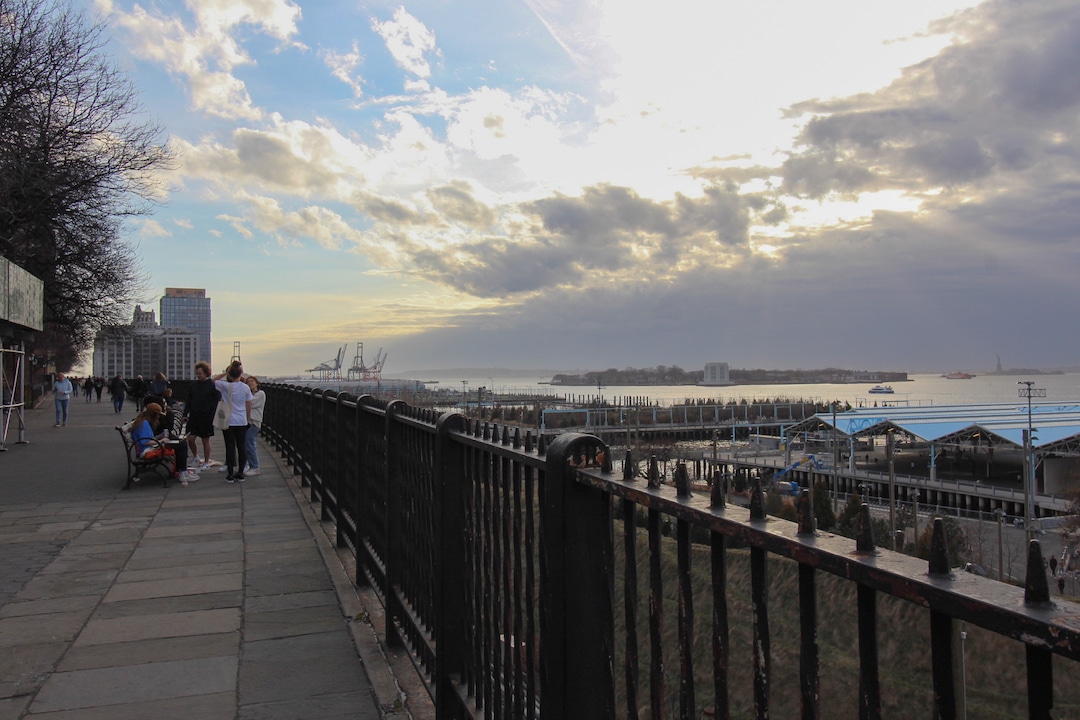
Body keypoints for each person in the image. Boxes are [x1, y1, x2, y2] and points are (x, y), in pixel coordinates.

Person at [130, 402, 197, 485]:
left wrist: (161, 436)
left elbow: (146, 439)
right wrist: (161, 441)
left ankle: (181, 471)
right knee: (182, 445)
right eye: (158, 415)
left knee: (180, 443)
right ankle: (182, 472)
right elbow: (145, 442)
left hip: (149, 447)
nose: (159, 417)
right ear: (153, 414)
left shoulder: (142, 421)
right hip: (147, 450)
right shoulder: (144, 424)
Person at [213, 360, 252, 483]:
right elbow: (248, 404)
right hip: (241, 420)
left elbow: (213, 381)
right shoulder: (246, 387)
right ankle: (240, 473)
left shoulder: (226, 386)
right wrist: (248, 418)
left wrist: (225, 373)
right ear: (241, 374)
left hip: (228, 421)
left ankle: (230, 473)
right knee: (241, 446)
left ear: (229, 374)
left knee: (230, 446)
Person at [185, 361, 220, 469]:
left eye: (200, 373)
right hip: (194, 415)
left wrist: (211, 412)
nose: (198, 375)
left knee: (205, 440)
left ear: (206, 373)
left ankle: (206, 461)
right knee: (190, 438)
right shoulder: (193, 385)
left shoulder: (212, 385)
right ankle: (196, 456)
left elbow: (216, 400)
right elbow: (189, 400)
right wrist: (185, 413)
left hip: (206, 417)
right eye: (197, 373)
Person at [244, 376, 265, 476]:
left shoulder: (260, 394)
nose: (250, 383)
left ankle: (255, 467)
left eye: (252, 381)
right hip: (247, 421)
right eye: (248, 382)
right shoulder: (249, 394)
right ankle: (248, 464)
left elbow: (250, 404)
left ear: (257, 383)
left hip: (254, 421)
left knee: (249, 442)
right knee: (247, 443)